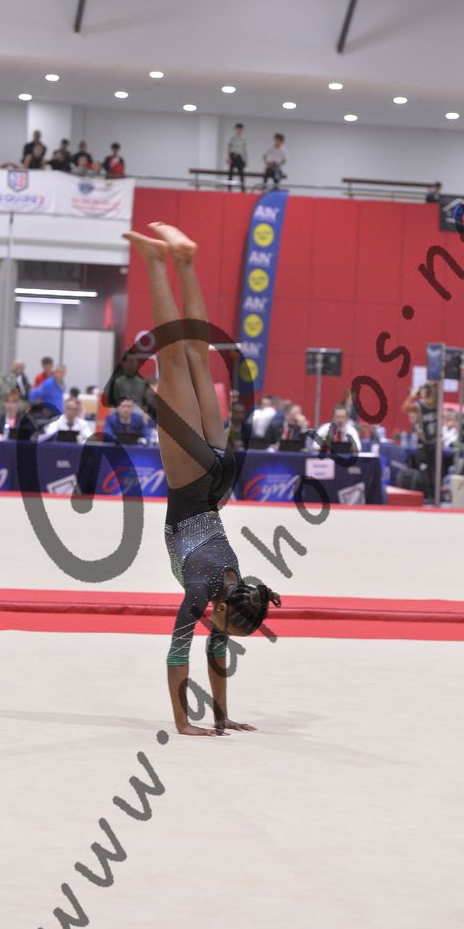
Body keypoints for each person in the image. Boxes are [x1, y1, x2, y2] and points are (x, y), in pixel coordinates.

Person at [122, 220, 281, 737]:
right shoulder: (201, 589)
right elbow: (177, 654)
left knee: (194, 353)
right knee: (174, 359)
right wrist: (182, 723)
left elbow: (212, 651)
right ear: (227, 607)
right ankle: (157, 261)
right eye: (227, 627)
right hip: (192, 484)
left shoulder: (237, 585)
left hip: (220, 479)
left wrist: (220, 716)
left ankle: (184, 260)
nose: (223, 635)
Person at [403, 384, 440, 501]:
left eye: (423, 391)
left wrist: (412, 395)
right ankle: (432, 494)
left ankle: (430, 494)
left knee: (427, 469)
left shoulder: (423, 405)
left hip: (428, 442)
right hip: (431, 441)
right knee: (429, 469)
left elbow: (405, 407)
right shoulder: (435, 404)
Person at [226, 123, 248, 192]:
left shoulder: (243, 139)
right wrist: (229, 157)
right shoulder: (233, 138)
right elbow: (229, 147)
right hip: (233, 155)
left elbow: (244, 149)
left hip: (240, 156)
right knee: (231, 173)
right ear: (236, 129)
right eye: (238, 129)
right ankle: (229, 188)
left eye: (240, 129)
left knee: (241, 173)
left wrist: (245, 159)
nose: (239, 130)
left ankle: (243, 189)